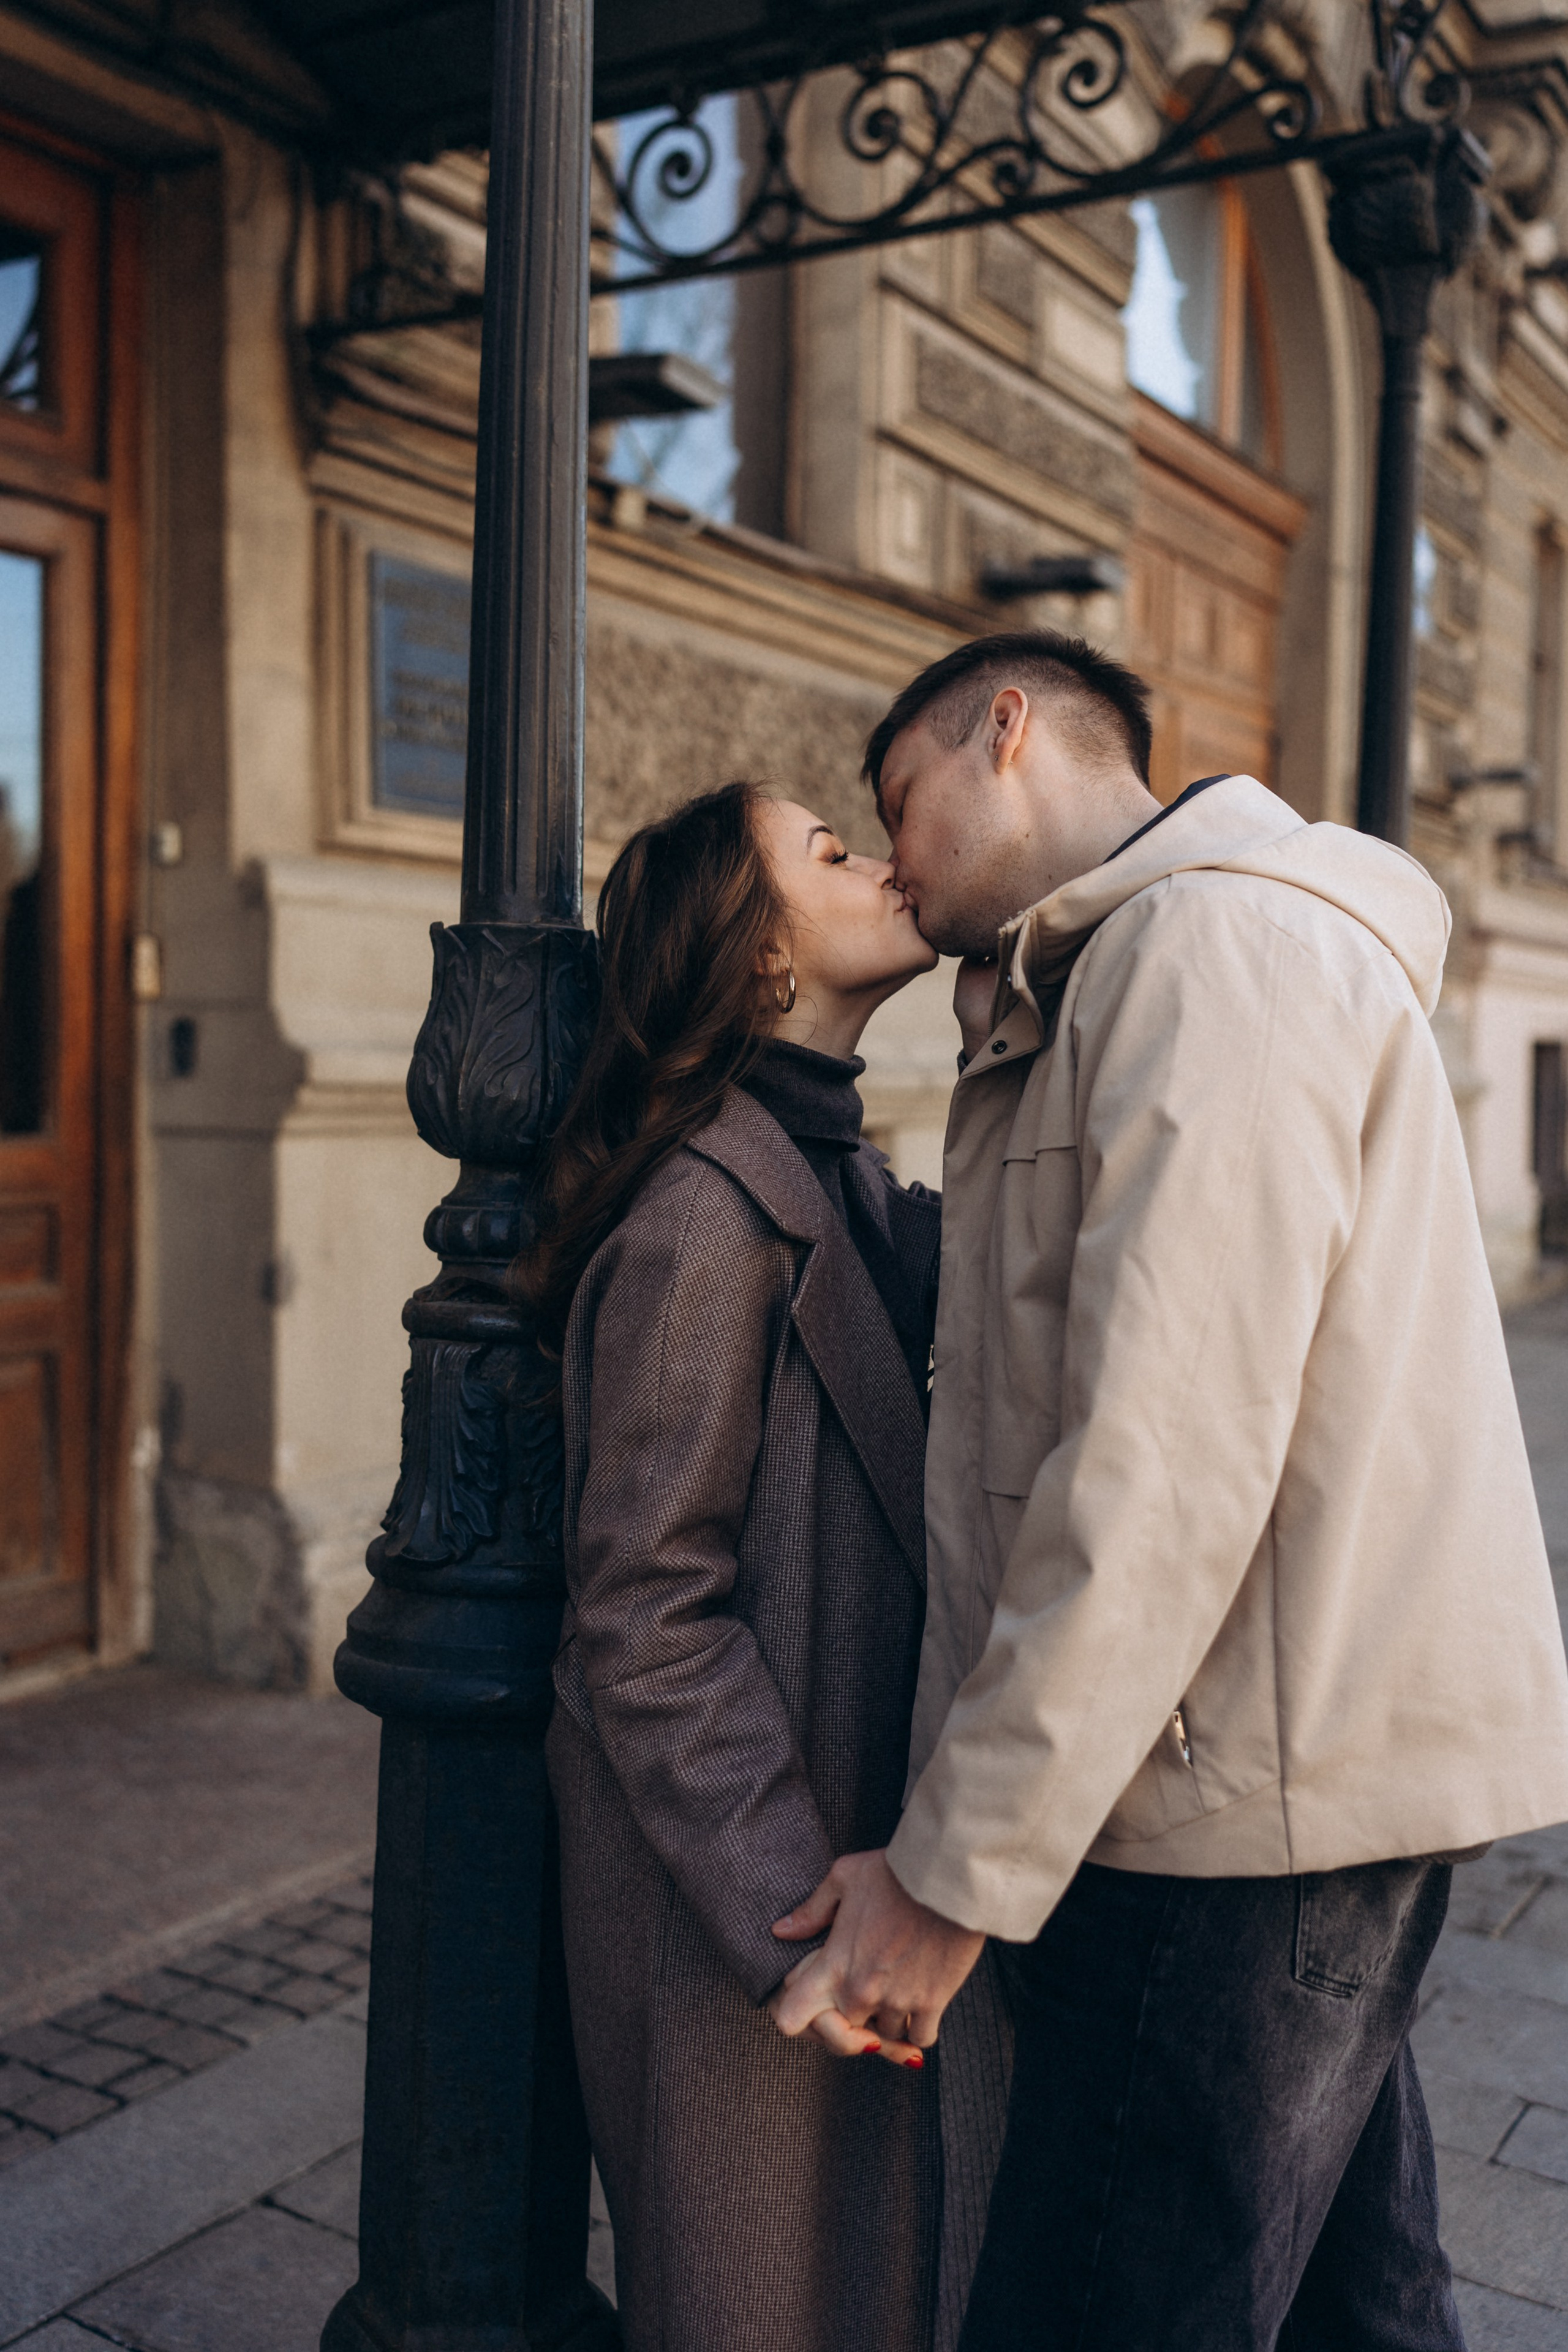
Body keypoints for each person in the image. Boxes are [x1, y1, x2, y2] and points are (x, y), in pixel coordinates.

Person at [770, 630, 1568, 2349]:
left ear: (1006, 735)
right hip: (1256, 1771)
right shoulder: (1121, 972)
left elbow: (1165, 1454)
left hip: (1232, 1804)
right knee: (1367, 2308)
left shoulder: (1211, 950)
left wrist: (956, 1871)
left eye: (896, 805)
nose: (894, 860)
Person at [524, 778, 951, 2352]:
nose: (875, 857)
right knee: (757, 2301)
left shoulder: (828, 1171)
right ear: (761, 960)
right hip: (742, 1905)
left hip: (828, 1858)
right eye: (829, 854)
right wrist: (799, 1907)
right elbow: (643, 1607)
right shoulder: (709, 1211)